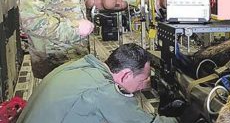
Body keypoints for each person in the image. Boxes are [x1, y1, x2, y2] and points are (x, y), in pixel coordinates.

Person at [16, 43, 178, 123]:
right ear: (126, 75)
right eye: (143, 80)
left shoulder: (78, 65)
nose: (144, 86)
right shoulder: (104, 91)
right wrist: (182, 117)